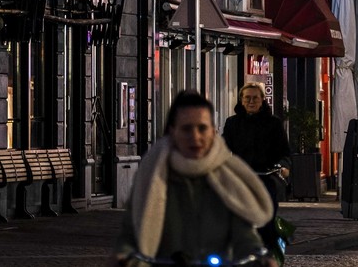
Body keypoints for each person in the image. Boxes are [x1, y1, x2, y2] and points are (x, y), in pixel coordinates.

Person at [112, 91, 276, 266]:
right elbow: (130, 232)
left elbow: (244, 235)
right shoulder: (152, 175)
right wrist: (124, 256)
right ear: (172, 132)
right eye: (186, 128)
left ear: (213, 132)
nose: (195, 136)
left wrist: (259, 257)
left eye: (202, 128)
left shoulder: (227, 177)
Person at [222, 83, 291, 199]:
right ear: (242, 100)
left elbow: (284, 151)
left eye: (255, 98)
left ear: (262, 100)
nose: (251, 101)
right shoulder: (232, 123)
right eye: (247, 97)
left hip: (267, 175)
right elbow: (224, 146)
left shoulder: (273, 123)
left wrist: (284, 167)